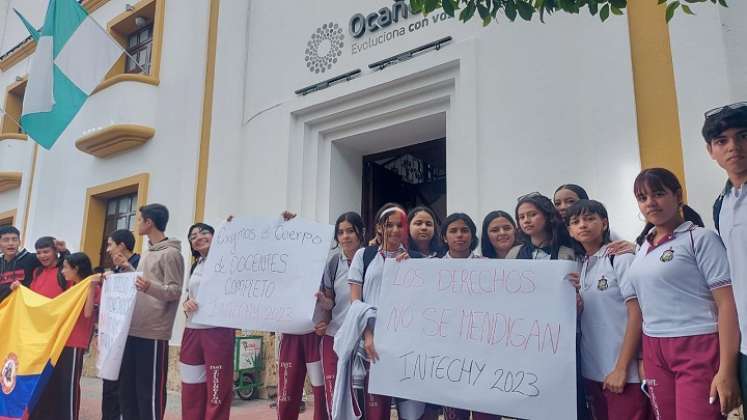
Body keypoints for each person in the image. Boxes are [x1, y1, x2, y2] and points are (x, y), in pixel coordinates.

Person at [623, 168, 741, 419]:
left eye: (658, 194)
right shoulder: (643, 246)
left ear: (678, 196)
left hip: (697, 345)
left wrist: (727, 370)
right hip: (654, 348)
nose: (650, 203)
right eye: (642, 198)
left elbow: (727, 304)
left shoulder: (700, 239)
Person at [565, 200, 650, 420]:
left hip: (623, 374)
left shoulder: (620, 257)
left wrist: (622, 368)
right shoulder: (581, 267)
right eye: (576, 222)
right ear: (570, 232)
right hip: (592, 372)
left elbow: (637, 314)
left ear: (604, 223)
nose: (583, 225)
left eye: (590, 218)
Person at [339, 203, 414, 420]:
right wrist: (368, 335)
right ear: (380, 227)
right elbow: (356, 302)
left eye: (400, 225)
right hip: (371, 345)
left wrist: (412, 267)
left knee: (410, 412)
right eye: (389, 225)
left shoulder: (414, 257)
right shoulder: (364, 255)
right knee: (375, 412)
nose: (395, 230)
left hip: (405, 346)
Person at [119, 204, 184, 420]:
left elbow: (174, 291)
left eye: (139, 219)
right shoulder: (147, 252)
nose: (137, 224)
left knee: (149, 395)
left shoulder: (171, 253)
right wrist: (128, 269)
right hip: (133, 329)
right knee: (129, 393)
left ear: (149, 222)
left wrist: (149, 286)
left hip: (153, 333)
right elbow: (142, 284)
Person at [703, 102, 747, 405]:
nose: (735, 147)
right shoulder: (722, 204)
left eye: (743, 135)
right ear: (711, 151)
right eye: (722, 141)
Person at [438, 213, 498, 420]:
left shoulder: (490, 266)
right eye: (453, 231)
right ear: (444, 237)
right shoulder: (431, 268)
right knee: (455, 413)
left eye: (465, 230)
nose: (460, 235)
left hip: (484, 351)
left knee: (487, 412)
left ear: (472, 236)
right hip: (449, 353)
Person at [30, 252, 100, 420]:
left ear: (75, 269)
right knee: (56, 383)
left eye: (66, 268)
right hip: (61, 340)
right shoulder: (71, 286)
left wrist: (90, 287)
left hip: (76, 342)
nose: (62, 271)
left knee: (69, 385)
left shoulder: (92, 286)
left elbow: (89, 313)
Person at [275, 209, 328, 420]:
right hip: (290, 333)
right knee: (287, 392)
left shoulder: (323, 263)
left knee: (320, 390)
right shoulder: (280, 264)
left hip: (315, 334)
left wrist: (299, 223)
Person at [180, 223, 234, 420]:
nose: (198, 237)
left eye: (204, 232)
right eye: (193, 236)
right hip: (192, 332)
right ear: (192, 245)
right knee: (191, 387)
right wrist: (186, 304)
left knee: (217, 391)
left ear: (215, 236)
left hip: (217, 332)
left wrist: (231, 227)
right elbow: (189, 296)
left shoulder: (229, 261)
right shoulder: (195, 266)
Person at [314, 212, 365, 419]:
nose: (345, 236)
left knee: (358, 396)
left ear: (360, 233)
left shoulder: (371, 259)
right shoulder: (333, 264)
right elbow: (330, 301)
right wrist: (322, 302)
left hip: (361, 339)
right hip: (333, 338)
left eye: (350, 231)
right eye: (341, 232)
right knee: (333, 394)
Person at [101, 229, 141, 420]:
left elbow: (144, 291)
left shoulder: (140, 264)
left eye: (110, 244)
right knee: (108, 387)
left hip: (132, 337)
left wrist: (128, 270)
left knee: (125, 390)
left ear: (122, 245)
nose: (108, 250)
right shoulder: (114, 271)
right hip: (112, 336)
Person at [0, 226, 67, 302]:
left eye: (14, 239)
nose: (11, 243)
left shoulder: (32, 258)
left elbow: (62, 265)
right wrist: (9, 288)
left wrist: (63, 251)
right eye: (6, 240)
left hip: (25, 309)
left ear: (19, 242)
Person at [506, 193, 575, 261]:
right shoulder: (514, 254)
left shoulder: (567, 253)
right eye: (522, 217)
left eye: (533, 214)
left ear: (548, 216)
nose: (526, 221)